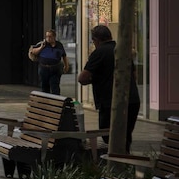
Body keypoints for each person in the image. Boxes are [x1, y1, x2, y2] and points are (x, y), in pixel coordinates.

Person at [77, 24, 140, 153]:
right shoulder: (122, 49)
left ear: (96, 40)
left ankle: (117, 165)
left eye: (93, 41)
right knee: (125, 137)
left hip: (110, 102)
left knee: (108, 135)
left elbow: (82, 78)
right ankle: (124, 164)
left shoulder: (98, 52)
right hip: (132, 100)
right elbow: (134, 75)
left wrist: (95, 79)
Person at [29, 29, 70, 95]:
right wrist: (41, 47)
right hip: (44, 68)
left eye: (50, 36)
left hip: (55, 68)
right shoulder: (42, 44)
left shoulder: (59, 45)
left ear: (54, 37)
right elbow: (33, 52)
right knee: (44, 87)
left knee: (55, 87)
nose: (48, 38)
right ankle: (46, 103)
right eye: (47, 36)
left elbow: (64, 55)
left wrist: (66, 65)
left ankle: (56, 102)